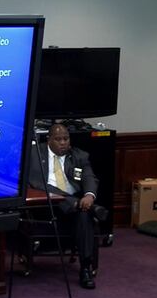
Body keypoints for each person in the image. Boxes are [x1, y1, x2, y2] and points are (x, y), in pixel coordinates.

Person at [28, 123, 108, 289]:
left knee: (84, 214)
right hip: (46, 205)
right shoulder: (34, 154)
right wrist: (69, 200)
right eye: (58, 139)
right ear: (49, 139)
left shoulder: (79, 156)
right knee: (80, 208)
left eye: (66, 138)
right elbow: (37, 184)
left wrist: (88, 195)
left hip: (74, 208)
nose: (63, 142)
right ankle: (84, 207)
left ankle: (85, 267)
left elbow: (89, 177)